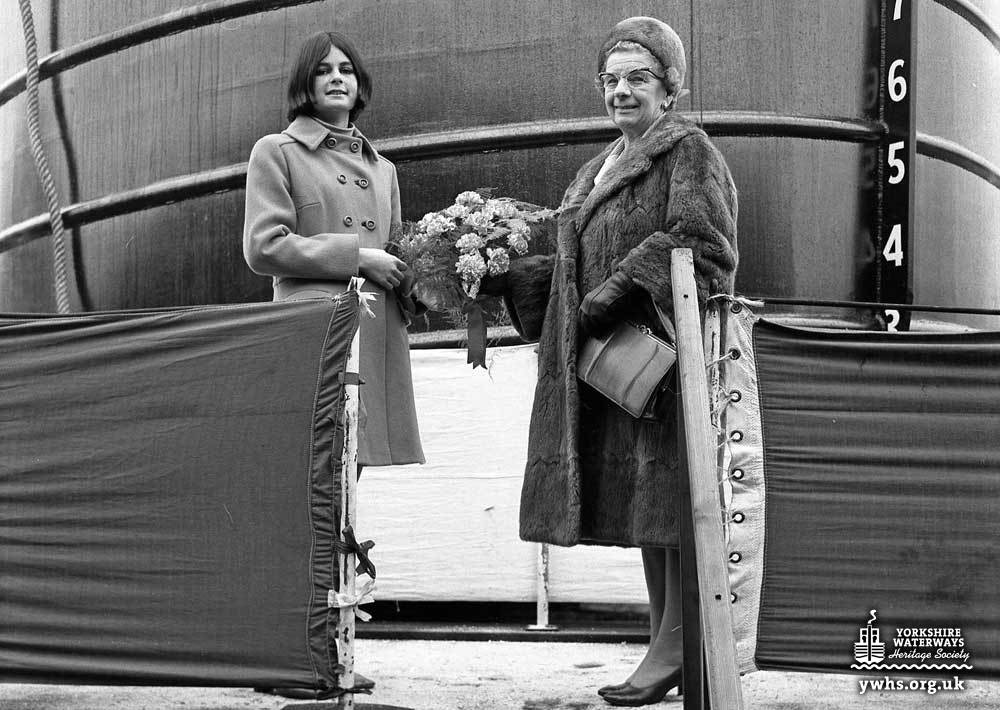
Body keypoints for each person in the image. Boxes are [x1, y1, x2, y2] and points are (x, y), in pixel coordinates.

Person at [484, 16, 738, 707]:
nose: (621, 90)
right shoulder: (595, 167)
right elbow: (577, 262)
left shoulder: (689, 151)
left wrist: (614, 291)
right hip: (616, 364)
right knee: (650, 509)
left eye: (638, 78)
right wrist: (504, 274)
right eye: (611, 78)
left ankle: (677, 647)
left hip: (666, 359)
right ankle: (666, 640)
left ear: (670, 89)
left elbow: (704, 244)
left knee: (673, 503)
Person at [242, 30, 425, 697]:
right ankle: (290, 654)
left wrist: (446, 268)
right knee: (306, 497)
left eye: (347, 69)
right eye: (323, 71)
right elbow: (263, 246)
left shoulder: (385, 169)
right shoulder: (276, 152)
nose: (338, 78)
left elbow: (397, 255)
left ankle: (332, 651)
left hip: (372, 342)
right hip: (313, 338)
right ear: (305, 84)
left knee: (345, 497)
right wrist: (358, 256)